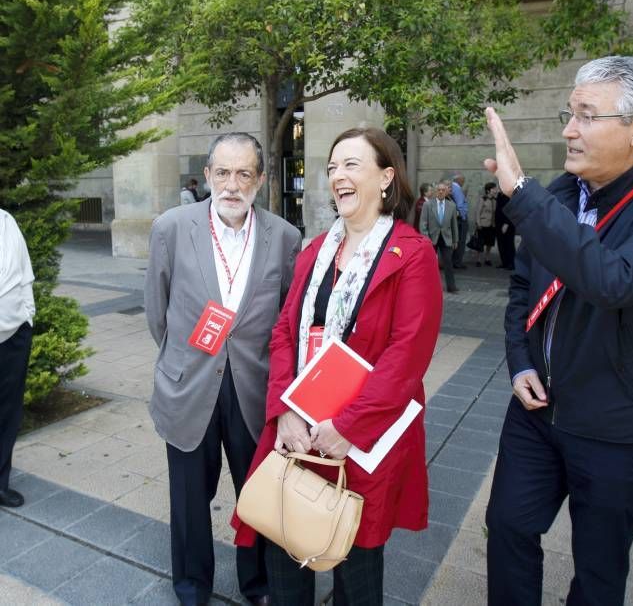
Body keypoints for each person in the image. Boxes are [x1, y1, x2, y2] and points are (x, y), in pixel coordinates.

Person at [483, 56, 633, 606]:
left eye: (586, 116)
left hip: (621, 428)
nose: (569, 129)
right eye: (570, 113)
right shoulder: (559, 197)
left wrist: (524, 195)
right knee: (509, 529)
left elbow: (614, 280)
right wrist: (520, 362)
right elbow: (521, 293)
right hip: (537, 414)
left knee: (599, 569)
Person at [233, 127, 442, 606]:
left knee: (356, 562)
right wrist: (284, 409)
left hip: (360, 439)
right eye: (331, 168)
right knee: (285, 542)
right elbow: (284, 331)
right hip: (299, 430)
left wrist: (348, 425)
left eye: (351, 164)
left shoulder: (412, 256)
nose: (337, 176)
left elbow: (406, 355)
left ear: (386, 177)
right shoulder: (314, 252)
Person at [144, 132, 301, 606]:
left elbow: (287, 318)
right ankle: (192, 585)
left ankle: (258, 583)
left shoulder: (284, 237)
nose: (232, 185)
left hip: (253, 386)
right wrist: (186, 359)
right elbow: (158, 310)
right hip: (188, 386)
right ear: (208, 175)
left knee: (256, 494)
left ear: (260, 179)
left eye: (243, 174)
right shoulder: (171, 227)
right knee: (190, 498)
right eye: (222, 173)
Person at [0, 209, 36, 509]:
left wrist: (28, 317)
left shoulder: (6, 222)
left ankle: (1, 483)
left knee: (8, 412)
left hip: (14, 335)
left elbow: (24, 273)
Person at [420, 181, 460, 293]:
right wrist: (425, 238)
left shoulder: (452, 206)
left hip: (446, 239)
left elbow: (454, 225)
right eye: (439, 190)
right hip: (431, 238)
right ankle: (428, 286)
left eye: (443, 190)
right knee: (430, 263)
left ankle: (451, 287)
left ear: (447, 192)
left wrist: (455, 240)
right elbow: (423, 223)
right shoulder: (428, 205)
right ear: (435, 192)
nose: (441, 192)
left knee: (448, 263)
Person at [474, 182, 498, 266]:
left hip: (492, 225)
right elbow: (478, 212)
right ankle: (478, 259)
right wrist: (478, 223)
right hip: (483, 224)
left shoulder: (495, 200)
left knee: (490, 242)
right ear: (488, 190)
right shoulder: (483, 199)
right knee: (480, 243)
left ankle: (487, 258)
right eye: (494, 189)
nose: (495, 190)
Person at [450, 173, 469, 268]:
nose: (464, 182)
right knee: (460, 240)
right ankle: (457, 262)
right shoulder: (456, 188)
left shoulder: (453, 187)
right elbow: (460, 204)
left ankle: (455, 261)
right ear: (459, 180)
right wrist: (463, 217)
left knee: (457, 240)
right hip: (461, 219)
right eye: (463, 180)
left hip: (457, 218)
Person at [494, 190, 516, 270]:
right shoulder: (499, 195)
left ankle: (511, 263)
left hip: (508, 224)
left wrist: (506, 223)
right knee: (501, 244)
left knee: (509, 244)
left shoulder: (510, 195)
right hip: (499, 222)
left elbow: (512, 210)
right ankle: (504, 263)